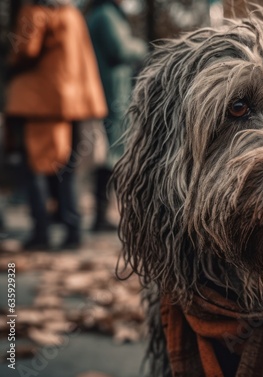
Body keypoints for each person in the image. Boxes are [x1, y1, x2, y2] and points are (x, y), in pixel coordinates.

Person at [4, 0, 107, 250]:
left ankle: (42, 233)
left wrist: (9, 54)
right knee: (65, 168)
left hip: (43, 101)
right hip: (75, 101)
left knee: (36, 168)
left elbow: (26, 49)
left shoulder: (36, 11)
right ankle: (73, 230)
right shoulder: (71, 13)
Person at [86, 0, 147, 232]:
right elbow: (121, 49)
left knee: (112, 154)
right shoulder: (106, 15)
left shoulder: (105, 13)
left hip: (112, 92)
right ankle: (105, 215)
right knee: (111, 155)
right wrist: (141, 47)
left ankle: (106, 213)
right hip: (110, 93)